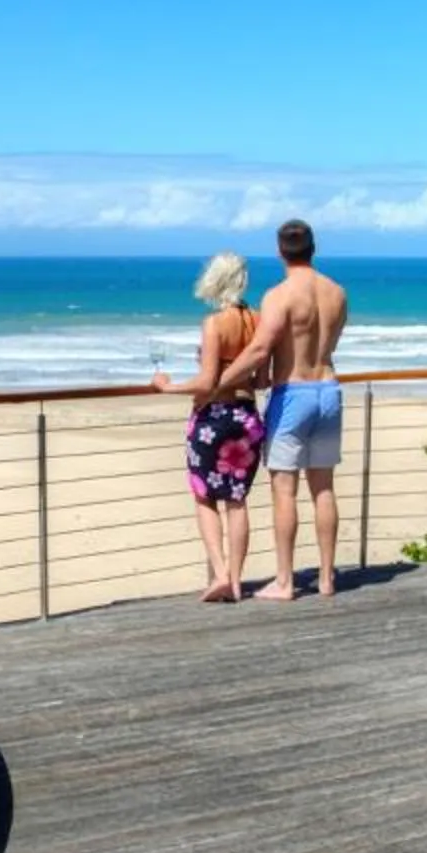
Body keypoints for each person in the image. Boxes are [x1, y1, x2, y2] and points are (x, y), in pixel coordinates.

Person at [217, 218, 350, 599]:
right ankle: (326, 578)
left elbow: (260, 350)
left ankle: (286, 581)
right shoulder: (337, 293)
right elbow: (332, 340)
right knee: (323, 488)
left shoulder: (278, 296)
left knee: (284, 490)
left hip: (293, 392)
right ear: (314, 247)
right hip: (328, 388)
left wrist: (219, 384)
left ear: (279, 251)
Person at [152, 250, 270, 602]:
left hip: (212, 421)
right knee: (237, 500)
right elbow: (262, 380)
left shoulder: (214, 324)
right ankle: (235, 581)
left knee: (204, 498)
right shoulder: (258, 320)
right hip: (247, 419)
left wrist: (167, 386)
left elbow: (206, 382)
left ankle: (218, 573)